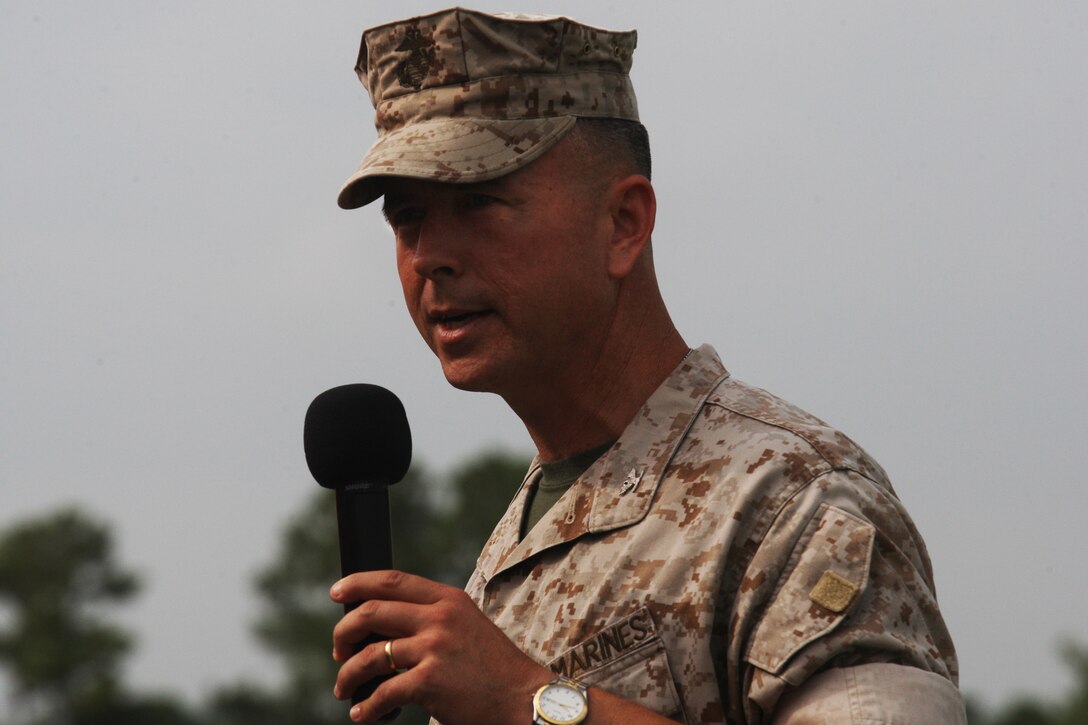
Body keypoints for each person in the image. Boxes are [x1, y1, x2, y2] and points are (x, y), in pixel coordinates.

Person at [329, 8, 966, 724]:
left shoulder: (790, 505)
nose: (428, 255)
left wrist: (528, 702)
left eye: (479, 201)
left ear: (623, 224)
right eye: (407, 215)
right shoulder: (506, 565)